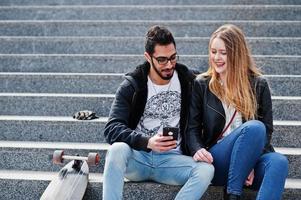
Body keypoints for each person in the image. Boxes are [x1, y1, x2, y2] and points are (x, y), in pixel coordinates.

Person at [102, 25, 214, 200]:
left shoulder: (190, 81)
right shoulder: (132, 85)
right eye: (162, 60)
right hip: (139, 159)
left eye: (173, 57)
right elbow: (112, 129)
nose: (169, 65)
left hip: (172, 161)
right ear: (148, 57)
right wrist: (147, 142)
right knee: (117, 150)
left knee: (206, 169)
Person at [187, 24, 288, 200]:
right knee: (254, 127)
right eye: (213, 51)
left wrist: (248, 162)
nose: (216, 57)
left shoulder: (258, 84)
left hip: (251, 162)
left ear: (237, 54)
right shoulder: (202, 84)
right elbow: (192, 128)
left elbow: (267, 131)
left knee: (279, 162)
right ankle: (233, 194)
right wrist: (197, 149)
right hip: (219, 161)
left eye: (223, 53)